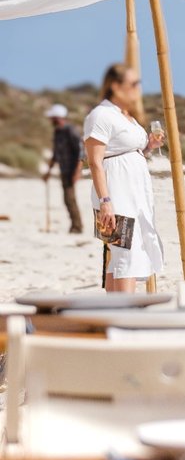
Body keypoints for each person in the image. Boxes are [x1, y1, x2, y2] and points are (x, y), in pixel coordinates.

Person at [83, 63, 165, 291]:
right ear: (116, 86)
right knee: (126, 250)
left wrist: (149, 146)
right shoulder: (101, 115)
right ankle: (126, 310)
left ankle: (115, 308)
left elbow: (128, 152)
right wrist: (105, 201)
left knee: (125, 251)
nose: (139, 88)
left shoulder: (126, 116)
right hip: (115, 191)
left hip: (134, 191)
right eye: (134, 84)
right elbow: (95, 161)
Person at [43, 103, 83, 234]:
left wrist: (77, 171)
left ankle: (77, 226)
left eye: (52, 118)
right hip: (64, 170)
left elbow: (81, 151)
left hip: (72, 170)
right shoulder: (57, 132)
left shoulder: (70, 131)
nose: (51, 121)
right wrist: (48, 171)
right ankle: (74, 225)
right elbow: (55, 154)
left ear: (58, 117)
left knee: (69, 198)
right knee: (67, 199)